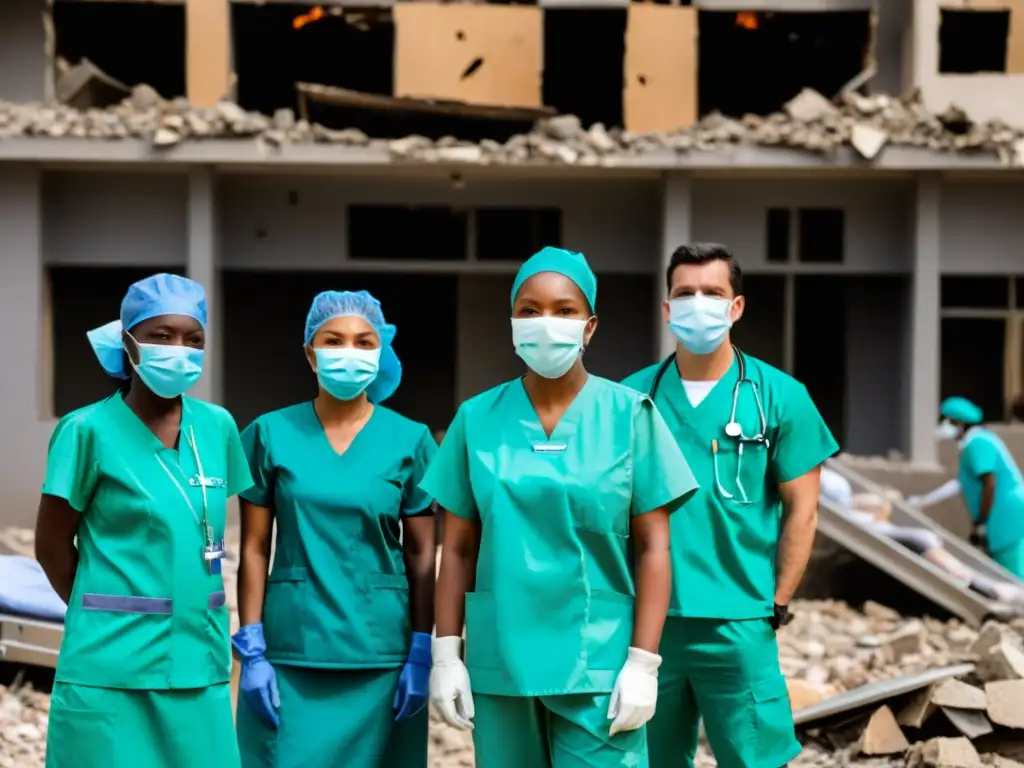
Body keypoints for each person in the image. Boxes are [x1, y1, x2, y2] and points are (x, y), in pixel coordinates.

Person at [424, 247, 698, 768]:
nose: (545, 322)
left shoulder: (629, 415)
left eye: (564, 310)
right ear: (511, 322)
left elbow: (656, 546)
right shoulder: (477, 418)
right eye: (529, 310)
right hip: (501, 657)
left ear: (589, 326)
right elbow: (456, 548)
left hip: (598, 661)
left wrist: (643, 662)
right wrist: (447, 654)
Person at [622, 243, 839, 768]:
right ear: (667, 308)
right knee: (646, 758)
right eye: (685, 293)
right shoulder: (631, 398)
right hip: (648, 627)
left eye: (713, 293)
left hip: (740, 620)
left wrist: (778, 600)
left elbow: (803, 511)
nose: (699, 303)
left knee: (756, 757)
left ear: (736, 306)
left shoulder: (779, 397)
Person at [34, 273, 251, 768]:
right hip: (109, 670)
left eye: (193, 339)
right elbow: (50, 548)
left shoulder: (216, 427)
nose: (180, 349)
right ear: (128, 341)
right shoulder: (85, 430)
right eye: (162, 335)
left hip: (199, 662)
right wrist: (109, 609)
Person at [233, 290, 437, 768]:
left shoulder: (411, 439)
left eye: (365, 342)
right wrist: (253, 646)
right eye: (334, 340)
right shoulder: (269, 433)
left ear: (381, 352)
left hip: (384, 656)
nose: (350, 353)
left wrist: (423, 649)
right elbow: (256, 548)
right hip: (289, 651)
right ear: (311, 352)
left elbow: (423, 555)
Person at [819, 467, 1024, 605]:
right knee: (922, 539)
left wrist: (877, 502)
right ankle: (982, 586)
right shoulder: (812, 478)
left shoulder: (827, 473)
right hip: (863, 525)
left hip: (870, 520)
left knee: (927, 539)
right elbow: (832, 506)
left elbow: (850, 501)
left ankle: (986, 584)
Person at [908, 397, 1024, 579]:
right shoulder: (974, 443)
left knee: (1013, 570)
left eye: (949, 421)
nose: (945, 425)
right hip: (1000, 514)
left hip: (1006, 514)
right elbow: (958, 485)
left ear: (960, 422)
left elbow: (989, 483)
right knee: (1002, 568)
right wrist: (922, 500)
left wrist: (982, 521)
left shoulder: (978, 443)